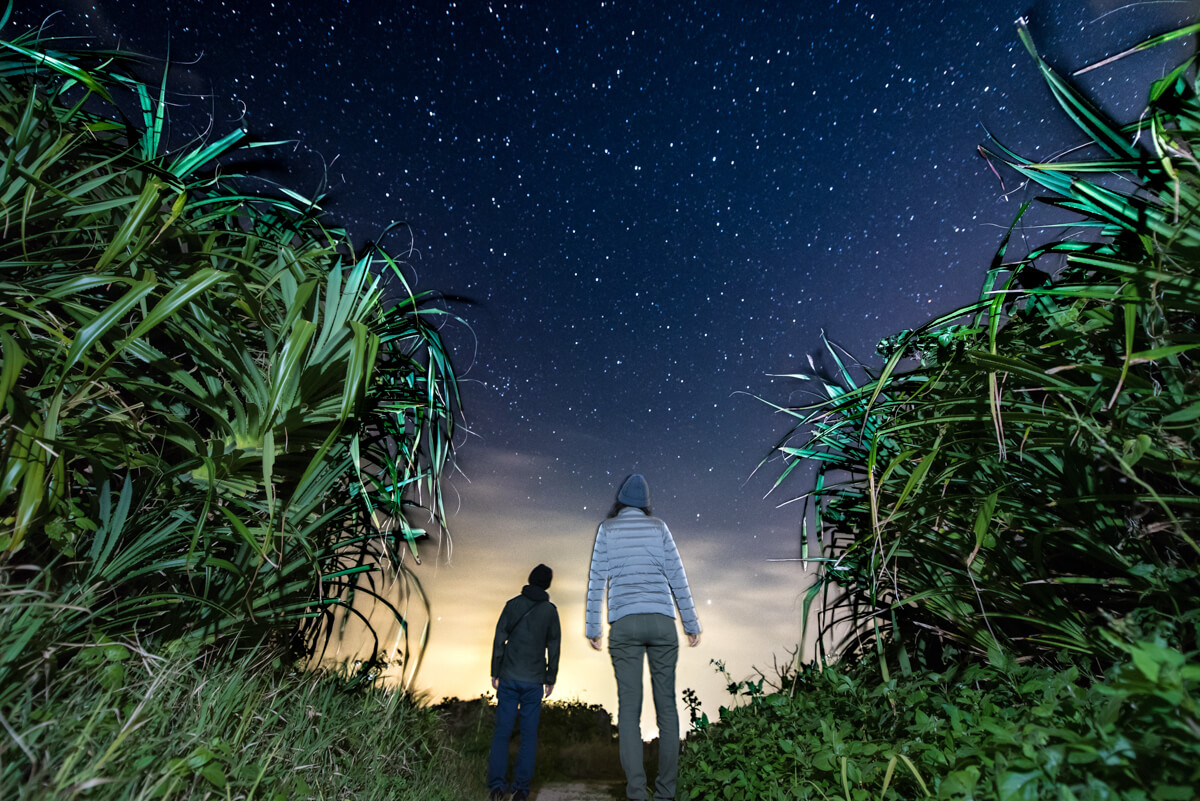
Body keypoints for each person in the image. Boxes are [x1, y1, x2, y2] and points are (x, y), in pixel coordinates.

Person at [585, 474, 701, 801]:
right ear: (646, 503)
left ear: (620, 501)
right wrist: (690, 623)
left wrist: (594, 628)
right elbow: (677, 575)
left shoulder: (606, 530)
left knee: (629, 711)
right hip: (662, 622)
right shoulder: (659, 528)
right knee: (667, 709)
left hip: (624, 624)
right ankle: (665, 794)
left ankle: (637, 793)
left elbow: (597, 581)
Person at [487, 563, 561, 801]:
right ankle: (521, 790)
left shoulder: (512, 605)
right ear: (548, 584)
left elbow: (499, 639)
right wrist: (550, 677)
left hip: (508, 678)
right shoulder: (550, 611)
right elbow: (554, 646)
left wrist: (495, 671)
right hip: (533, 683)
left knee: (502, 733)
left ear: (529, 579)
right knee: (528, 737)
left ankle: (497, 788)